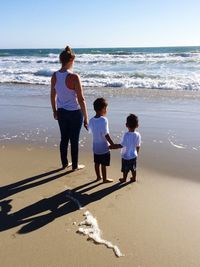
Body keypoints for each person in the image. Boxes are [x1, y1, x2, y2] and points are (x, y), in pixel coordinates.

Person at [51, 46, 88, 171]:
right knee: (74, 140)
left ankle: (64, 164)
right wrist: (86, 118)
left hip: (61, 112)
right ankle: (75, 166)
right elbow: (81, 99)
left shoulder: (55, 75)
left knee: (64, 139)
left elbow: (52, 95)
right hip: (75, 113)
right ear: (71, 60)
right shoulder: (74, 77)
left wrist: (54, 110)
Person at [88, 98, 115, 183]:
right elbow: (106, 134)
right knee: (103, 164)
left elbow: (90, 131)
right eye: (106, 108)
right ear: (103, 109)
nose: (106, 110)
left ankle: (98, 177)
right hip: (103, 147)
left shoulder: (91, 120)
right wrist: (112, 144)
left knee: (96, 163)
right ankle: (104, 179)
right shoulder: (104, 120)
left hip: (95, 147)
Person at [110, 114, 141, 183]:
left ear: (126, 125)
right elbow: (138, 145)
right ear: (137, 125)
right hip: (134, 155)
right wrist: (137, 153)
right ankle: (134, 178)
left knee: (125, 169)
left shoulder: (126, 135)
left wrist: (112, 146)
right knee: (133, 168)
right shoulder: (138, 134)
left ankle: (124, 179)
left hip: (126, 156)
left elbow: (121, 145)